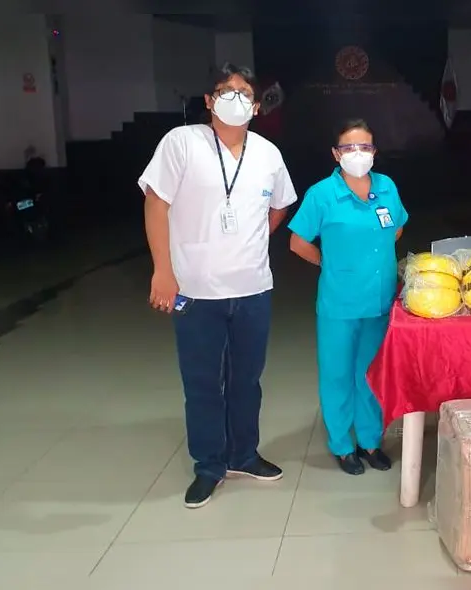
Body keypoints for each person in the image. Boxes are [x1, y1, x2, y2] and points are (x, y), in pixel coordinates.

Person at [139, 63, 299, 508]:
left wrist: (249, 240)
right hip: (194, 289)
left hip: (252, 289)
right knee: (203, 383)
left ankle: (244, 454)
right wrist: (162, 271)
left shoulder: (267, 153)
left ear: (255, 104)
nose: (235, 97)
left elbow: (280, 206)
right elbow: (156, 204)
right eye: (225, 90)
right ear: (208, 101)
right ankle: (209, 464)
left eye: (244, 92)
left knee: (247, 379)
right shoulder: (181, 143)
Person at [287, 119, 408, 475]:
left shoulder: (386, 187)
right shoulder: (322, 194)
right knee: (338, 373)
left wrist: (375, 256)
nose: (358, 154)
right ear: (336, 154)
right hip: (339, 303)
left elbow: (397, 226)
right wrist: (328, 262)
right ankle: (342, 444)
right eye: (349, 148)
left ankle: (371, 441)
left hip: (380, 301)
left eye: (365, 147)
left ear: (375, 152)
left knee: (370, 373)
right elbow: (297, 242)